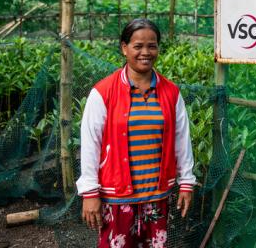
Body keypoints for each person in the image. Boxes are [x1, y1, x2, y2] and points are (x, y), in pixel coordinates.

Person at [76, 18, 195, 248]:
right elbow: (91, 143)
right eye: (137, 46)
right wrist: (90, 193)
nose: (145, 52)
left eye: (152, 46)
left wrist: (186, 182)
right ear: (124, 48)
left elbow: (182, 140)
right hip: (116, 197)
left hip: (157, 195)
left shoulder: (171, 92)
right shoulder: (103, 92)